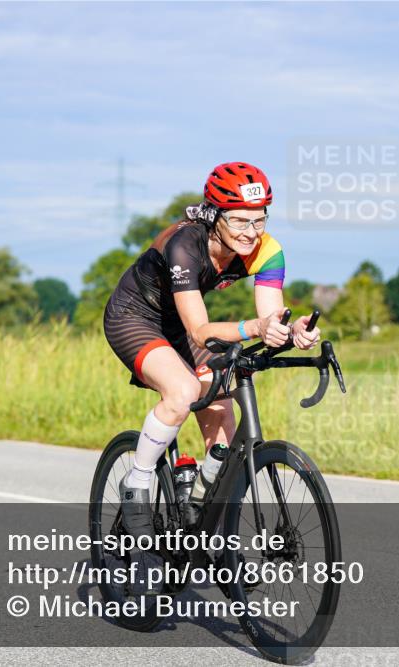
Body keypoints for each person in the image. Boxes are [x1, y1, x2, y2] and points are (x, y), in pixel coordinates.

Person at [103, 161, 320, 541]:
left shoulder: (267, 251)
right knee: (183, 391)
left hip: (181, 324)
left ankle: (202, 517)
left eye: (259, 220)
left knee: (221, 405)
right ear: (213, 215)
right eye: (239, 221)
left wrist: (290, 331)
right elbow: (201, 332)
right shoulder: (185, 245)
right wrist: (254, 328)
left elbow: (270, 317)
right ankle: (137, 482)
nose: (251, 232)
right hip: (134, 317)